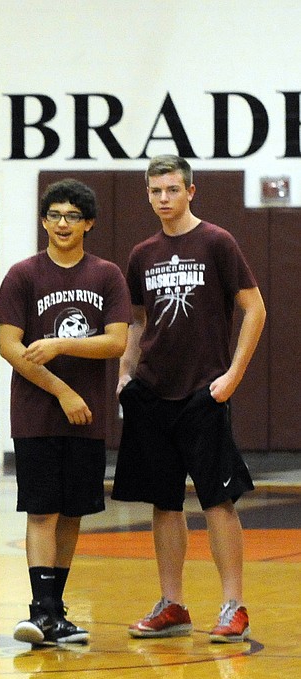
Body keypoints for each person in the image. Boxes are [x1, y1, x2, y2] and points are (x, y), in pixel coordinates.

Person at [113, 155, 266, 642]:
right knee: (164, 503)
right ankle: (173, 603)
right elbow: (138, 320)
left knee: (218, 501)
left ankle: (233, 605)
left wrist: (234, 375)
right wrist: (125, 372)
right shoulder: (142, 254)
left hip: (205, 392)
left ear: (191, 191)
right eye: (156, 190)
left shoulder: (217, 242)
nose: (163, 198)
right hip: (153, 392)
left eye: (172, 189)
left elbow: (254, 308)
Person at [0, 179, 130, 646]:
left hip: (87, 416)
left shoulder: (107, 274)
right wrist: (63, 392)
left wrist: (61, 344)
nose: (62, 224)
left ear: (88, 223)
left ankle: (56, 611)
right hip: (37, 413)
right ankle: (41, 608)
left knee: (73, 512)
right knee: (42, 510)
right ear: (43, 221)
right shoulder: (23, 275)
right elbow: (10, 347)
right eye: (54, 215)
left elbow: (116, 341)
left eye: (72, 216)